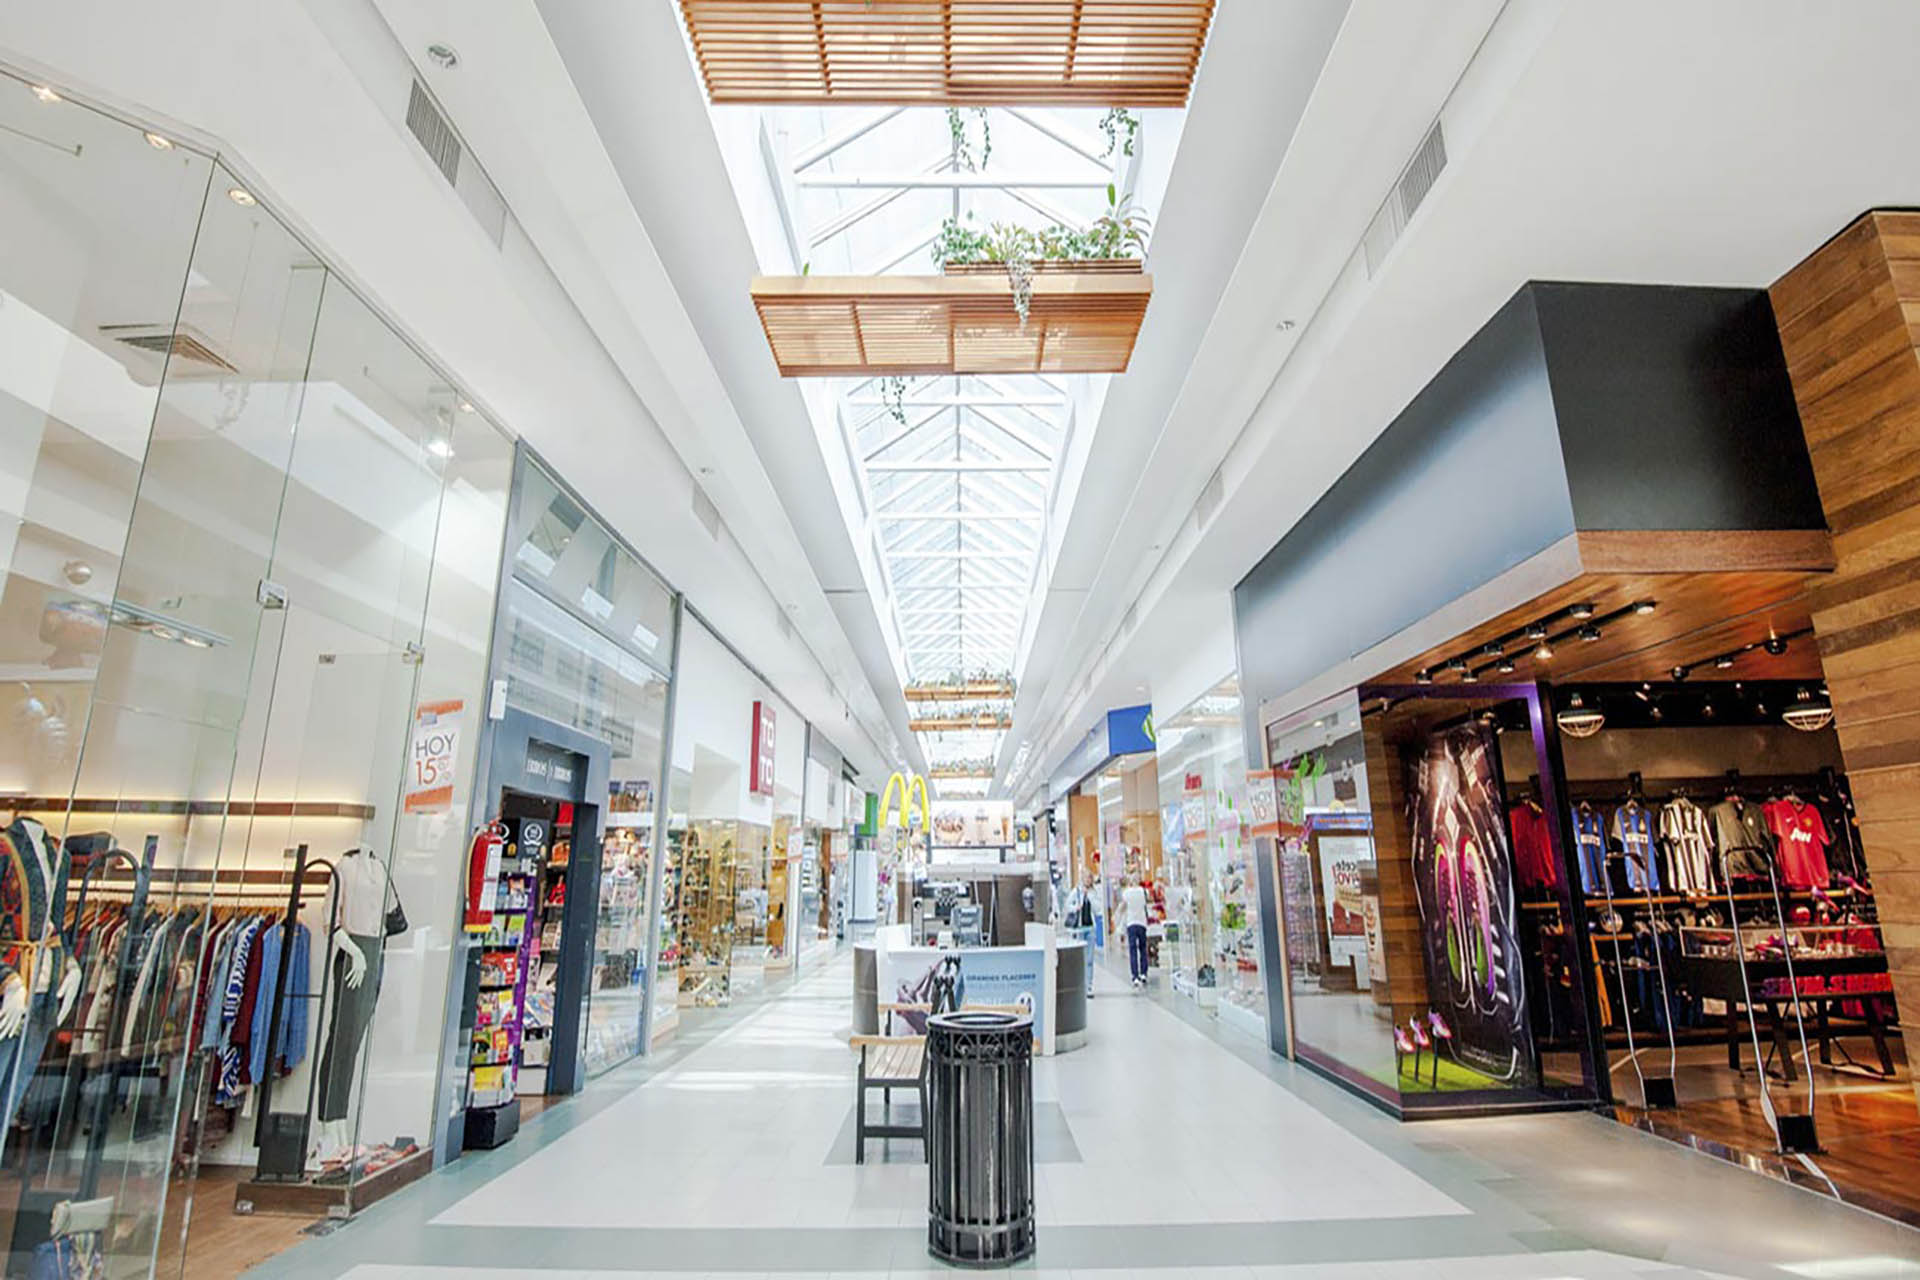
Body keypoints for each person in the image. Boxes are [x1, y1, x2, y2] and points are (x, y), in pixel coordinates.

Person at [1115, 874, 1150, 990]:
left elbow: (1122, 908)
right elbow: (1147, 903)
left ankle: (1135, 976)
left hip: (1131, 923)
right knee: (1143, 948)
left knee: (1133, 950)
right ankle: (1144, 973)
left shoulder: (1127, 893)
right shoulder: (1144, 892)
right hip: (1142, 923)